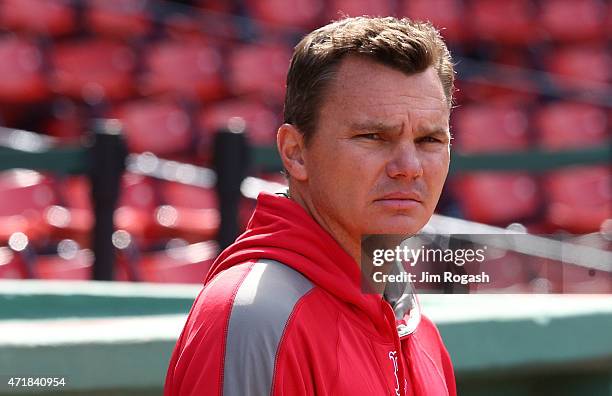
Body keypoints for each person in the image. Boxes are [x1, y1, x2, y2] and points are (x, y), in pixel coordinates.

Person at [165, 16, 456, 396]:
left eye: (429, 140)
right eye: (373, 136)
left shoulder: (413, 324)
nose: (409, 168)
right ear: (295, 152)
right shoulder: (258, 319)